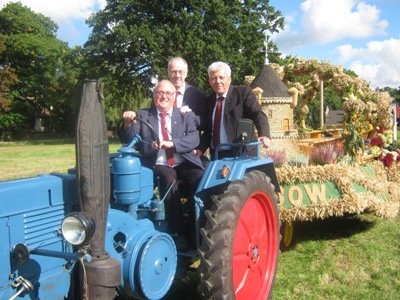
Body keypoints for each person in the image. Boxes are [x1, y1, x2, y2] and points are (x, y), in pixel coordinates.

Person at [119, 80, 204, 250]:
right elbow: (129, 138)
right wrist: (127, 123)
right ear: (154, 95)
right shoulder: (142, 115)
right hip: (159, 162)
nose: (164, 96)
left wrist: (171, 143)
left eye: (168, 93)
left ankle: (197, 228)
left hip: (183, 161)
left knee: (200, 178)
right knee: (169, 178)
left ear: (174, 97)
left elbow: (194, 139)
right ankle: (177, 232)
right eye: (160, 93)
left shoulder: (184, 115)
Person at [197, 61, 272, 160]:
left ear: (229, 79)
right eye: (213, 78)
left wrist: (264, 134)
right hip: (217, 155)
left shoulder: (242, 93)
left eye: (221, 77)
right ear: (210, 81)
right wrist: (200, 149)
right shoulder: (209, 100)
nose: (217, 81)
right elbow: (208, 130)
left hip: (242, 153)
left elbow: (257, 114)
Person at [167, 57, 207, 130]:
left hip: (188, 140)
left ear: (186, 73)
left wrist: (190, 115)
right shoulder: (159, 94)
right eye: (173, 72)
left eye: (181, 72)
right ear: (168, 72)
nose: (177, 75)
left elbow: (205, 124)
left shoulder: (198, 95)